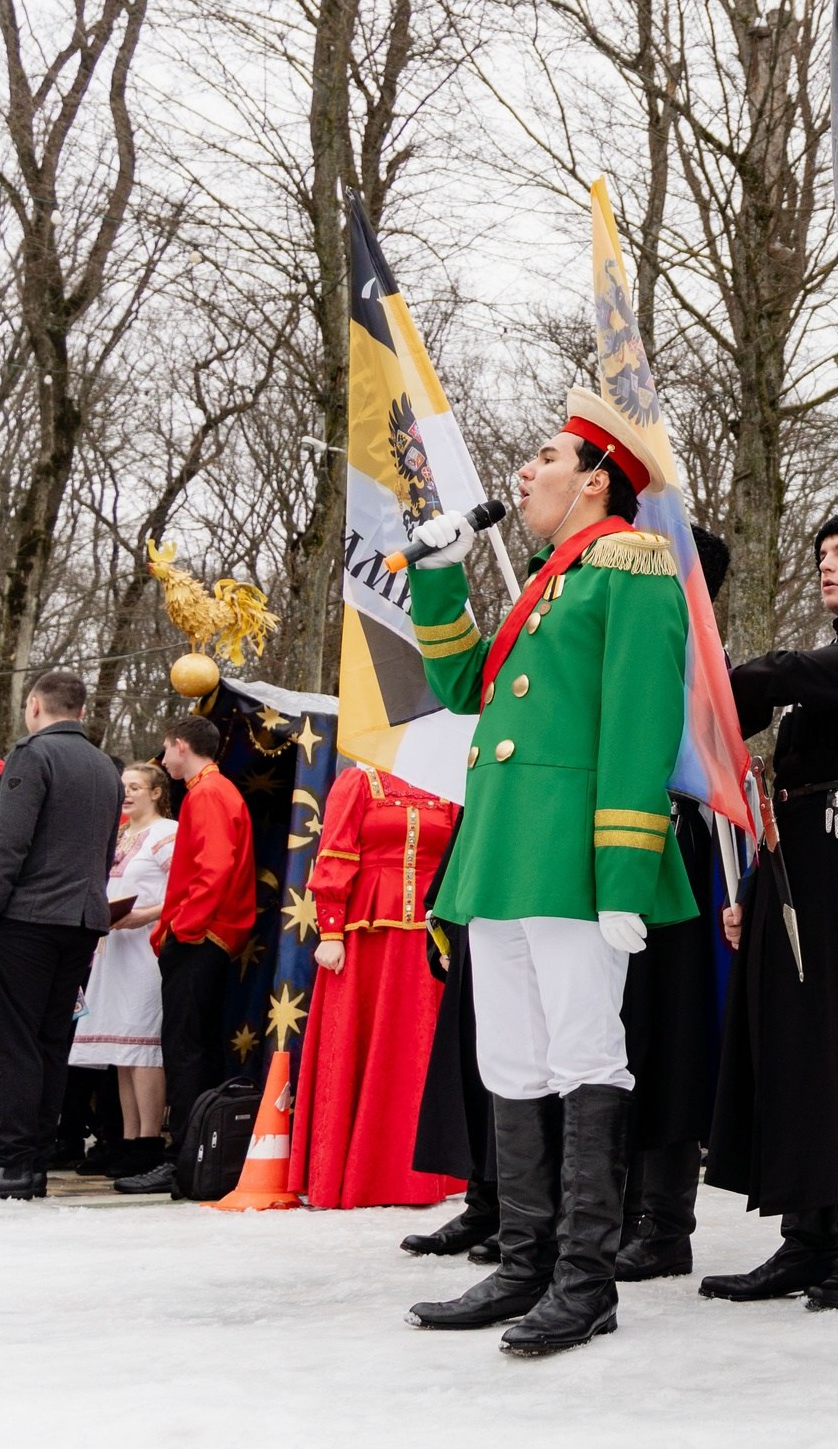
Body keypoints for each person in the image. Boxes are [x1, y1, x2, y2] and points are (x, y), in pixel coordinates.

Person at [402, 385, 695, 1357]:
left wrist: (623, 872)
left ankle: (585, 1276)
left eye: (544, 459)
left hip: (572, 856)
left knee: (582, 1055)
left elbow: (640, 728)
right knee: (513, 1063)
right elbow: (460, 686)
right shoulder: (548, 581)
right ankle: (524, 1259)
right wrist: (437, 576)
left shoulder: (629, 567)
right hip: (505, 854)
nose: (523, 473)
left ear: (598, 479)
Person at [703, 501, 838, 1312]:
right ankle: (807, 1237)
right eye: (823, 550)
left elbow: (793, 677)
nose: (828, 564)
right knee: (798, 1049)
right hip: (801, 865)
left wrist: (731, 682)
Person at [0, 669, 122, 1200]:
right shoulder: (106, 768)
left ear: (35, 705)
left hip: (23, 920)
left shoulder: (33, 756)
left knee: (10, 1042)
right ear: (80, 711)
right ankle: (32, 1162)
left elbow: (5, 843)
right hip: (80, 919)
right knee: (47, 1042)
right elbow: (104, 850)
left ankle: (14, 1162)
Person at [616, 524, 735, 1285]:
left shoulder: (700, 665)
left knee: (666, 1036)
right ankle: (606, 1211)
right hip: (604, 849)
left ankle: (664, 1223)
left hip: (677, 851)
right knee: (610, 1035)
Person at [291, 764, 465, 1210]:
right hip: (365, 941)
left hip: (429, 942)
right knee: (357, 1047)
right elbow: (334, 854)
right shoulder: (360, 780)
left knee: (421, 1050)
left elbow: (457, 864)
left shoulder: (446, 785)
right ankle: (354, 1176)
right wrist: (330, 932)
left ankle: (432, 1177)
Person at [115, 713, 254, 1195]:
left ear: (179, 745)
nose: (163, 756)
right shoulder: (213, 791)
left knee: (184, 1049)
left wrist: (182, 929)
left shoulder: (209, 793)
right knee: (193, 1046)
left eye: (165, 748)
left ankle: (183, 1160)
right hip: (207, 936)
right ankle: (199, 1156)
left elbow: (213, 869)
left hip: (201, 937)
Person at [71, 763, 177, 1182]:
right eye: (123, 788)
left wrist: (144, 915)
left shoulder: (169, 833)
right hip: (114, 946)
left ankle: (150, 1139)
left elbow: (183, 891)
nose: (127, 794)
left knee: (143, 1043)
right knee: (122, 1050)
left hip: (147, 947)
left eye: (135, 787)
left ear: (155, 793)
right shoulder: (118, 836)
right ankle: (128, 1139)